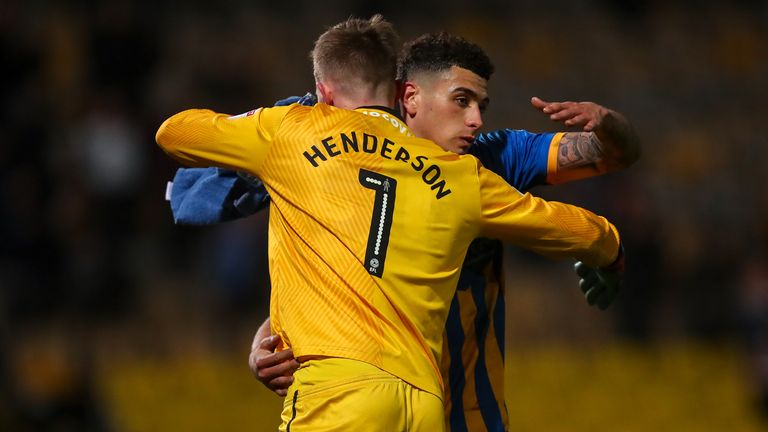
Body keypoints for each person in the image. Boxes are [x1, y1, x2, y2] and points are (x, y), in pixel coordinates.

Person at [156, 15, 623, 431]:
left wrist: (279, 116)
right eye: (463, 101)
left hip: (338, 392)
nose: (476, 120)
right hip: (422, 403)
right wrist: (611, 251)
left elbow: (174, 132)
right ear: (404, 94)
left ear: (324, 93)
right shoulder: (462, 176)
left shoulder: (296, 132)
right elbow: (580, 228)